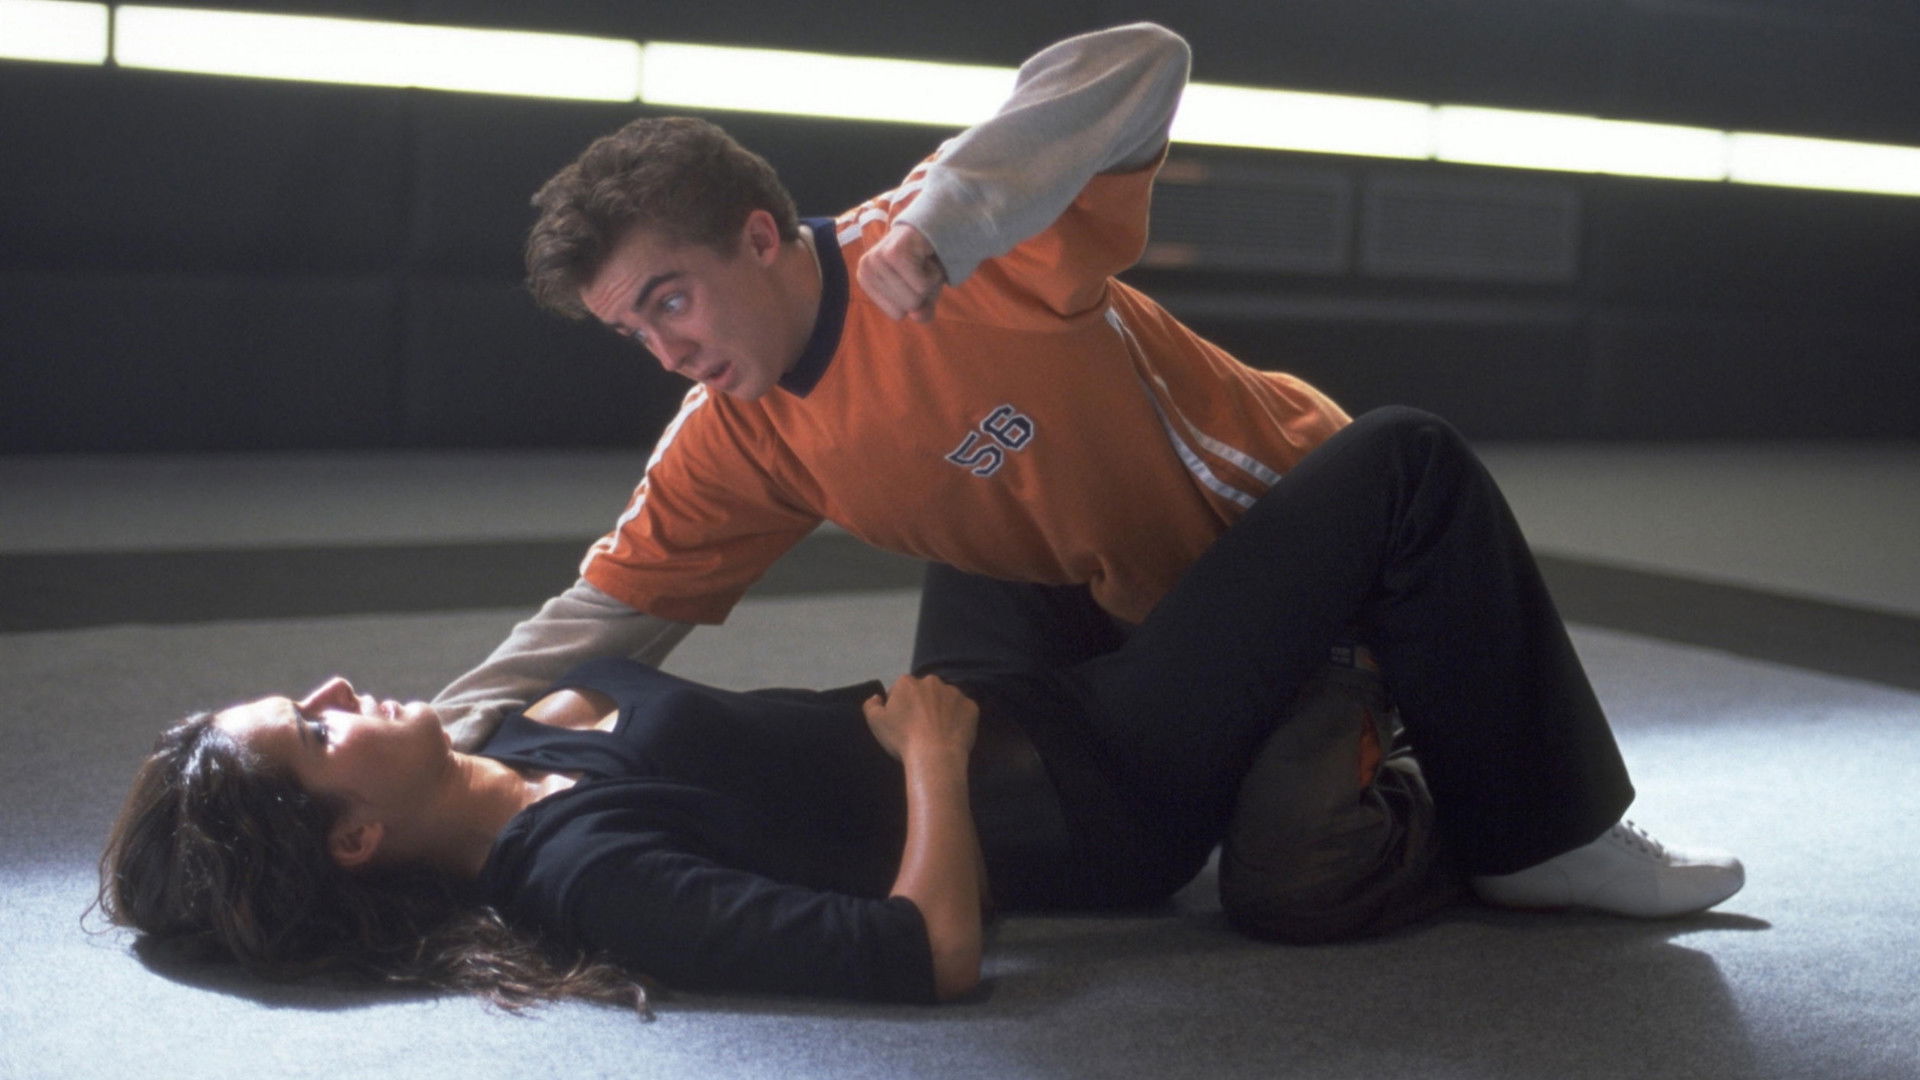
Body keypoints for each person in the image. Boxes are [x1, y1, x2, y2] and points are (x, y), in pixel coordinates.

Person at [96, 409, 1746, 1011]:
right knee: (1403, 465)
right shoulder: (587, 877)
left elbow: (599, 629)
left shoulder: (490, 747)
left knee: (978, 437)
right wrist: (937, 764)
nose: (339, 691)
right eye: (316, 729)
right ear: (357, 837)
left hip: (999, 695)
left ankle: (1301, 643)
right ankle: (1542, 829)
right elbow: (925, 954)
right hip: (1100, 787)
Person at [432, 22, 1351, 748]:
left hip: (1299, 521)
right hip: (1148, 617)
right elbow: (602, 618)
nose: (665, 351)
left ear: (759, 238)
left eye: (670, 302)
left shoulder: (952, 244)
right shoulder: (734, 432)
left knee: (1304, 876)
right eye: (634, 332)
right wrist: (428, 738)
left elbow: (1145, 59)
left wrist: (950, 221)